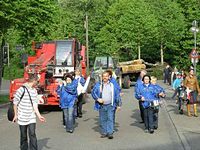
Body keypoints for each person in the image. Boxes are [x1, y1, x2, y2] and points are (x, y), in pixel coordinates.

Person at [13, 74, 46, 150]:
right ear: (33, 81)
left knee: (32, 134)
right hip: (22, 117)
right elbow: (15, 102)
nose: (38, 83)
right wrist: (16, 115)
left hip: (31, 117)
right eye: (37, 82)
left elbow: (35, 104)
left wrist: (39, 116)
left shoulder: (34, 91)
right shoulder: (21, 89)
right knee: (23, 136)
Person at [91, 71, 121, 139]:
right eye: (103, 76)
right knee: (103, 119)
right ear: (102, 77)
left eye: (106, 76)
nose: (105, 77)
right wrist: (98, 99)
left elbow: (117, 95)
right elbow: (93, 93)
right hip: (101, 105)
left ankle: (110, 133)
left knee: (110, 118)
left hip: (110, 105)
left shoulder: (112, 85)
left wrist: (119, 104)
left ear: (109, 77)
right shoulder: (98, 85)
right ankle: (104, 132)